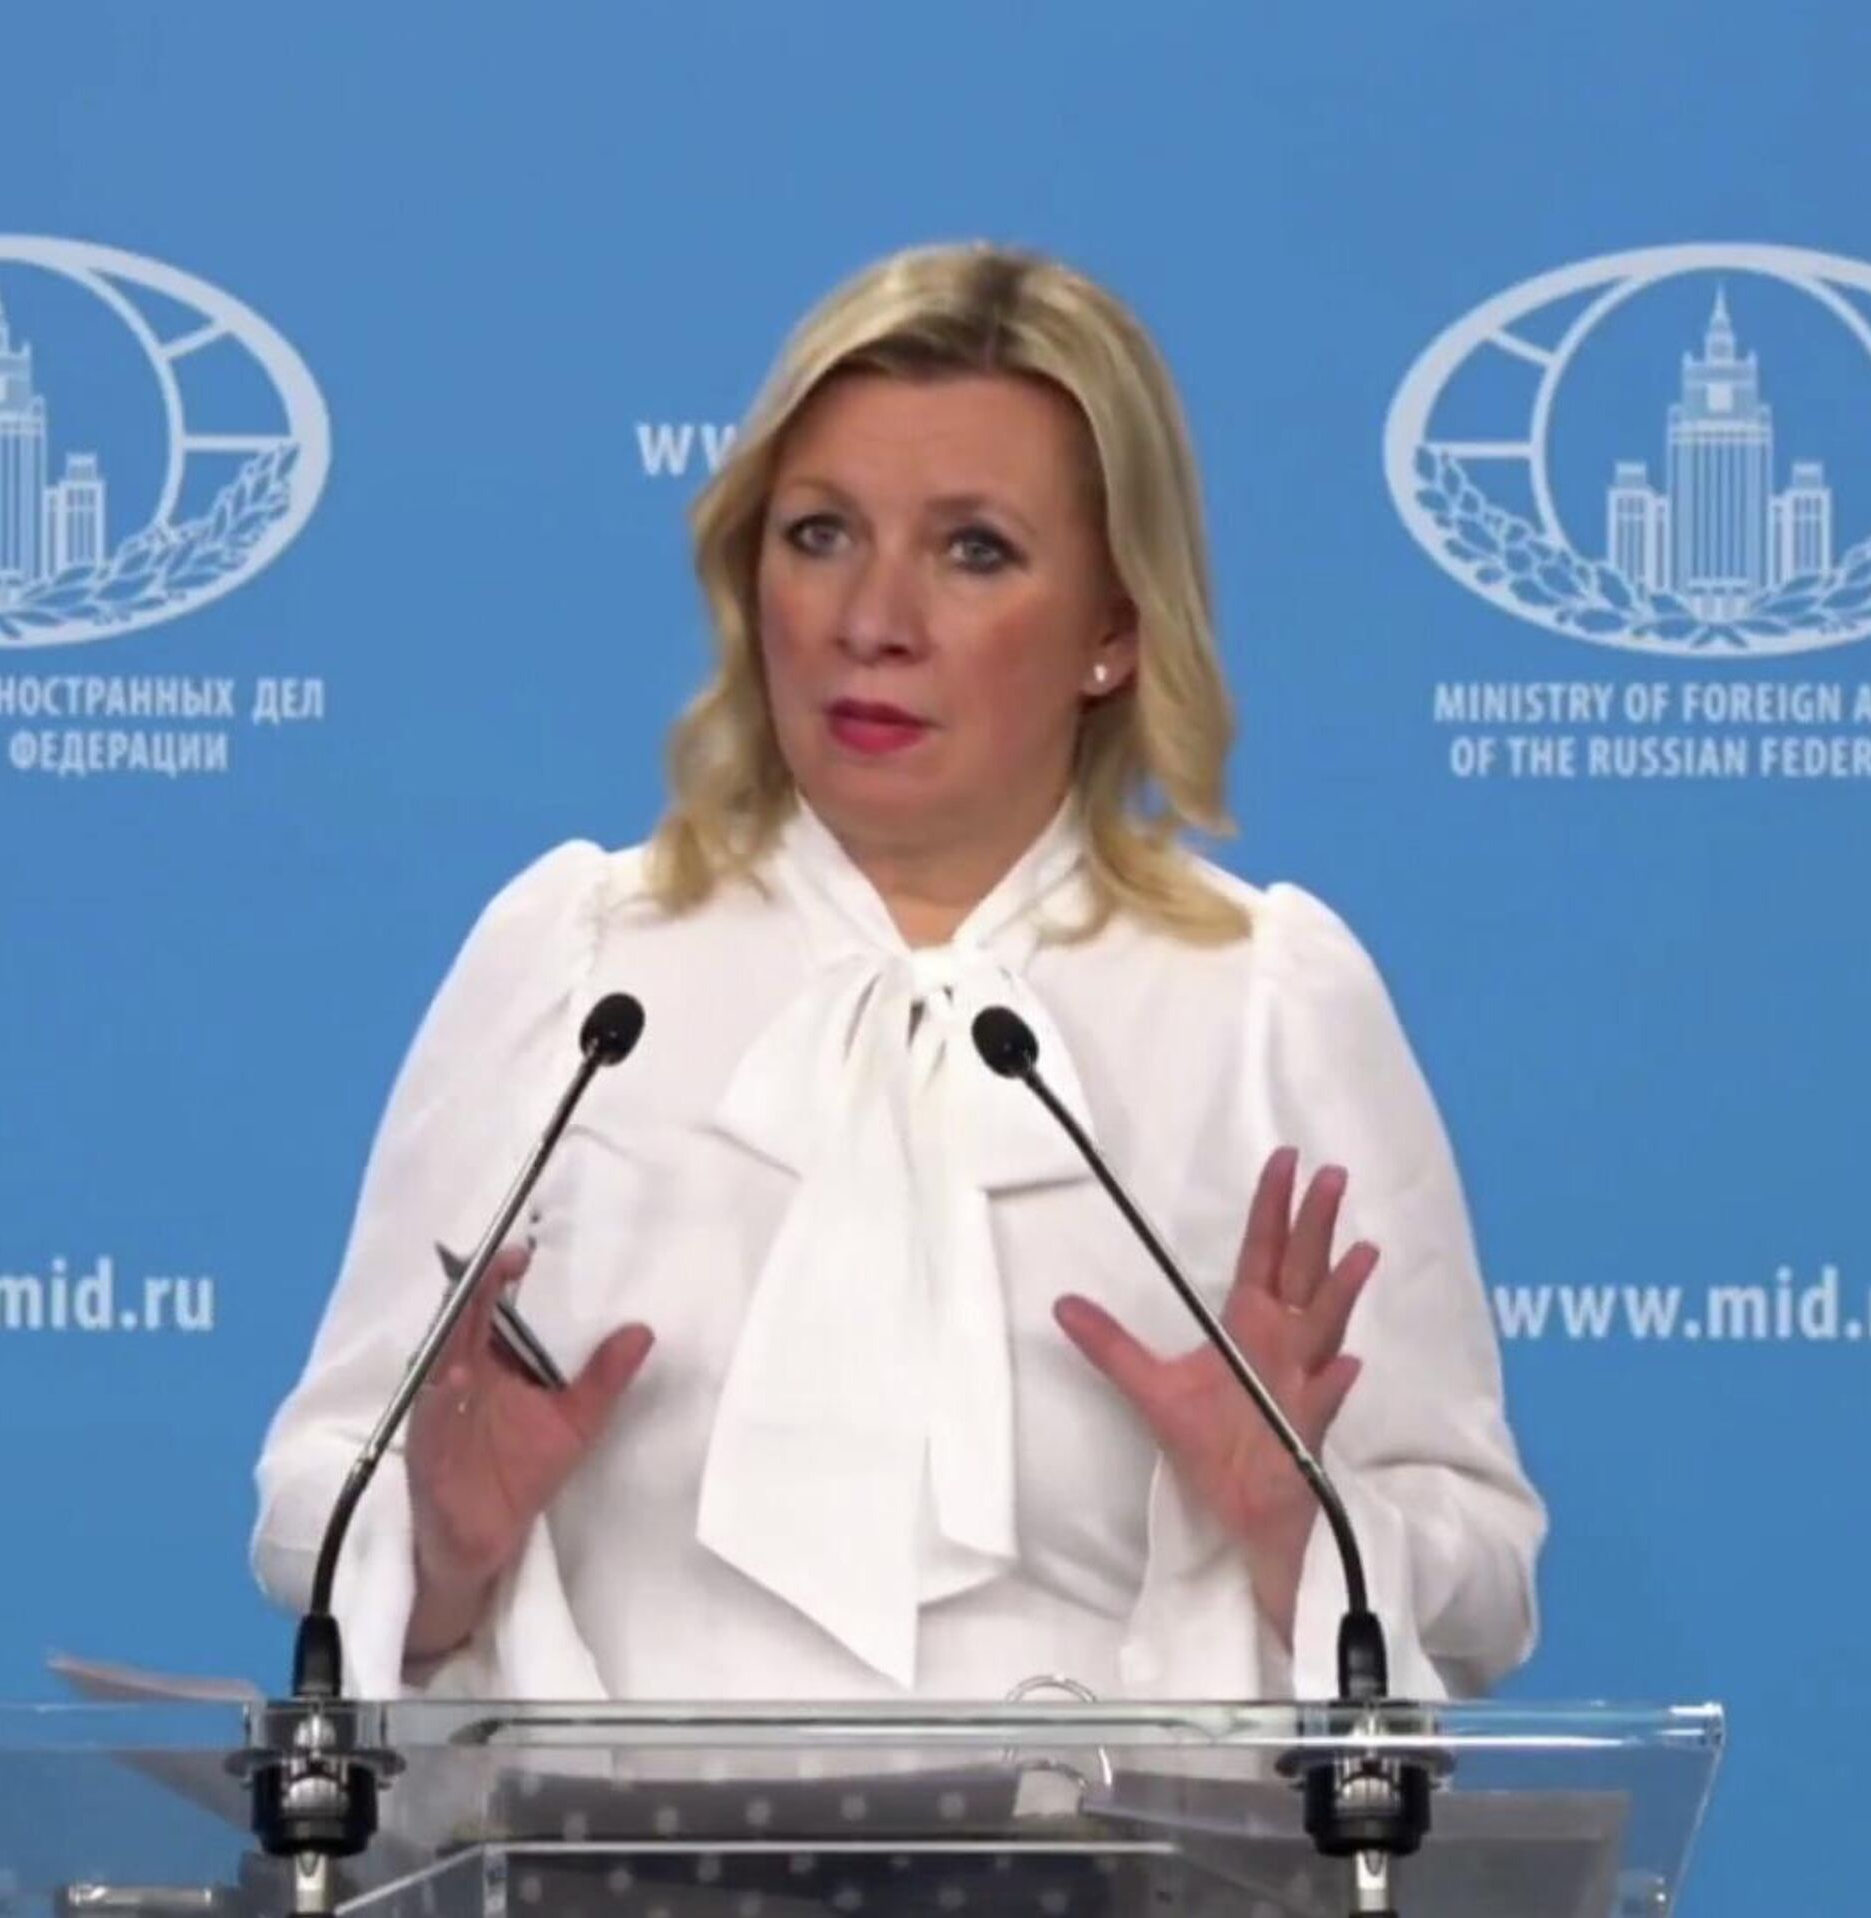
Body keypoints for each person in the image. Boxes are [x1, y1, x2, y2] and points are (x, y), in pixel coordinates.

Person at [251, 242, 1544, 1705]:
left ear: (1114, 627)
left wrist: (1303, 1528)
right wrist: (435, 1548)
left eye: (973, 549)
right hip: (599, 1828)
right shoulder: (580, 963)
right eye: (820, 534)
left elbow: (1488, 1580)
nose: (872, 619)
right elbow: (314, 1485)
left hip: (1130, 1830)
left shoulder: (1265, 997)